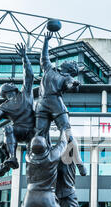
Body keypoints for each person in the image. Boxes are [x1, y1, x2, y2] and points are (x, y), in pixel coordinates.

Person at [35, 31, 86, 176]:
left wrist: (75, 84)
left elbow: (70, 86)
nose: (69, 61)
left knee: (67, 133)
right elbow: (43, 57)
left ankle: (79, 163)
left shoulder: (67, 77)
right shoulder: (49, 69)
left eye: (72, 63)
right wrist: (45, 41)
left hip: (56, 103)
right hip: (42, 104)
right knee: (40, 135)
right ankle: (43, 162)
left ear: (70, 69)